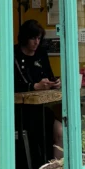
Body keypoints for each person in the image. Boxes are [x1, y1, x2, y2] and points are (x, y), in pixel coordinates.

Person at [14, 19, 63, 160]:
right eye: (33, 38)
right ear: (25, 38)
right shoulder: (14, 55)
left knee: (60, 132)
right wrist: (34, 86)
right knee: (33, 143)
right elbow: (9, 84)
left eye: (38, 38)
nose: (36, 42)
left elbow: (49, 76)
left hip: (41, 109)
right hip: (22, 112)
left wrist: (55, 82)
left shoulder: (41, 54)